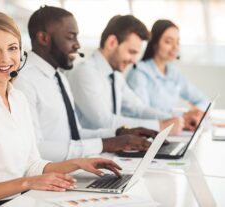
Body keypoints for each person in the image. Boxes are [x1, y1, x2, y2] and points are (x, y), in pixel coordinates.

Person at [0, 11, 123, 207]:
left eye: (12, 48)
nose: (6, 58)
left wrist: (78, 164)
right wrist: (27, 183)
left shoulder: (18, 98)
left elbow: (32, 165)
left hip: (20, 200)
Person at [14, 6, 156, 162]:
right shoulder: (24, 80)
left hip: (70, 170)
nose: (77, 45)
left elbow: (75, 134)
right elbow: (36, 148)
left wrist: (118, 134)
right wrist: (104, 144)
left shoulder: (59, 77)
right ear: (43, 38)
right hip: (47, 178)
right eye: (70, 37)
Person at [67, 15, 183, 135]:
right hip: (89, 150)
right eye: (131, 52)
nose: (134, 60)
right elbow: (104, 121)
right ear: (112, 43)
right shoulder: (85, 72)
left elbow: (138, 108)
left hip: (113, 147)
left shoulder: (115, 75)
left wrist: (171, 119)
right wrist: (159, 126)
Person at [126, 19, 208, 129]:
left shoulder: (173, 72)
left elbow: (203, 100)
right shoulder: (139, 73)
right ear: (154, 43)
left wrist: (197, 113)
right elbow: (142, 113)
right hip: (149, 134)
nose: (175, 47)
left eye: (177, 42)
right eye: (168, 42)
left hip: (170, 130)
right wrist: (182, 118)